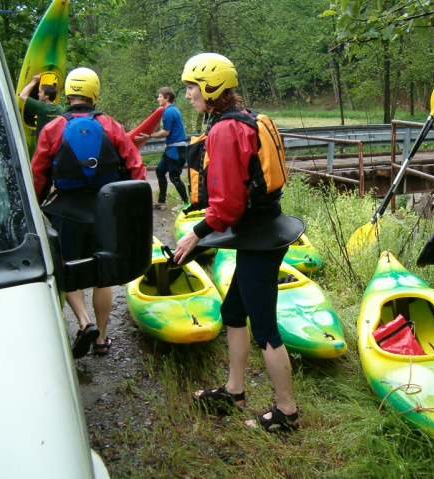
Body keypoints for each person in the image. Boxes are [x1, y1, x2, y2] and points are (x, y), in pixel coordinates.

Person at [173, 53, 299, 431]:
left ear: (211, 88)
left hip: (259, 238)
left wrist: (195, 234)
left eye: (192, 87)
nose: (189, 95)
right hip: (266, 227)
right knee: (232, 313)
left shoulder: (225, 130)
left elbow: (226, 207)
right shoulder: (251, 117)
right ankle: (234, 390)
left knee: (265, 329)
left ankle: (287, 413)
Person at [32, 67, 147, 358]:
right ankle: (102, 338)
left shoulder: (53, 127)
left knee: (70, 268)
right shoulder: (110, 124)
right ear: (94, 93)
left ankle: (83, 323)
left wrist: (35, 204)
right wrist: (134, 205)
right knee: (102, 274)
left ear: (68, 94)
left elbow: (38, 173)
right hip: (105, 210)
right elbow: (136, 167)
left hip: (66, 211)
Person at [135, 87, 188, 211]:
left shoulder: (169, 112)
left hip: (176, 149)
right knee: (160, 171)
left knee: (174, 177)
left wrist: (149, 136)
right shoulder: (171, 110)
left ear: (167, 97)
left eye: (160, 96)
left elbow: (165, 132)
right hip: (172, 148)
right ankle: (161, 201)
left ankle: (186, 203)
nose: (158, 99)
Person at [18, 73, 65, 139]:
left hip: (43, 145)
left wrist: (34, 81)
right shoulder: (60, 109)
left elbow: (22, 95)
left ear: (47, 96)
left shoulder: (40, 106)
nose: (38, 94)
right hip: (55, 145)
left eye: (41, 92)